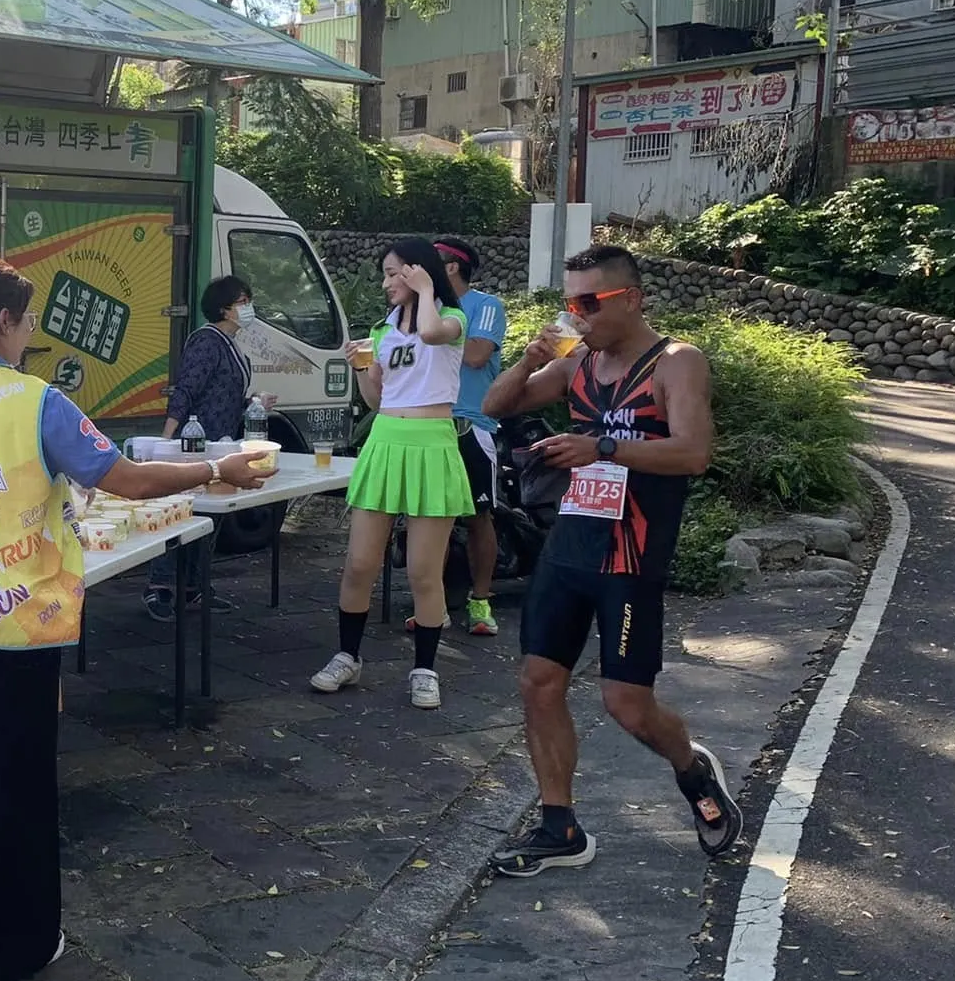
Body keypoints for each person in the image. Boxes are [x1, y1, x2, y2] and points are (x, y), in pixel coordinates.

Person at [0, 256, 267, 981]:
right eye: (27, 320)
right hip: (18, 627)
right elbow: (126, 479)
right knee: (17, 789)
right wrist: (217, 469)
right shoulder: (36, 400)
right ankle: (18, 949)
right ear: (3, 321)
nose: (30, 332)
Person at [481, 244, 739, 875]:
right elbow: (494, 406)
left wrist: (600, 447)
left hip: (632, 556)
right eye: (569, 302)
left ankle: (692, 768)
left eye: (590, 302)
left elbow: (693, 454)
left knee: (626, 705)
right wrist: (530, 359)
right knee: (538, 683)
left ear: (634, 298)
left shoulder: (676, 363)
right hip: (571, 547)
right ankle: (560, 828)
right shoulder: (577, 361)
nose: (578, 314)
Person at [308, 238, 471, 710]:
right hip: (384, 442)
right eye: (385, 274)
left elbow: (432, 335)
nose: (385, 283)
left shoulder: (451, 318)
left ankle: (425, 670)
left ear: (417, 272)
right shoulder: (383, 330)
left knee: (423, 571)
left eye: (392, 272)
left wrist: (426, 289)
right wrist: (361, 367)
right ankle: (347, 656)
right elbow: (378, 399)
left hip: (432, 444)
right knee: (359, 563)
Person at [145, 274, 256, 622]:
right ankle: (160, 586)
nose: (248, 308)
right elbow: (187, 390)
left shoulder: (230, 344)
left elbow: (223, 394)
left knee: (209, 516)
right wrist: (167, 440)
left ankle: (194, 585)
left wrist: (253, 403)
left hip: (220, 444)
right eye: (242, 302)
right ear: (223, 308)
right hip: (193, 445)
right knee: (178, 514)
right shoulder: (207, 342)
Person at [440, 237, 507, 635]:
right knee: (431, 516)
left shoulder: (486, 305)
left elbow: (478, 354)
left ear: (452, 266)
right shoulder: (422, 308)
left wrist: (434, 332)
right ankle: (432, 602)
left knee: (479, 515)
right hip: (427, 423)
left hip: (471, 423)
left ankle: (480, 601)